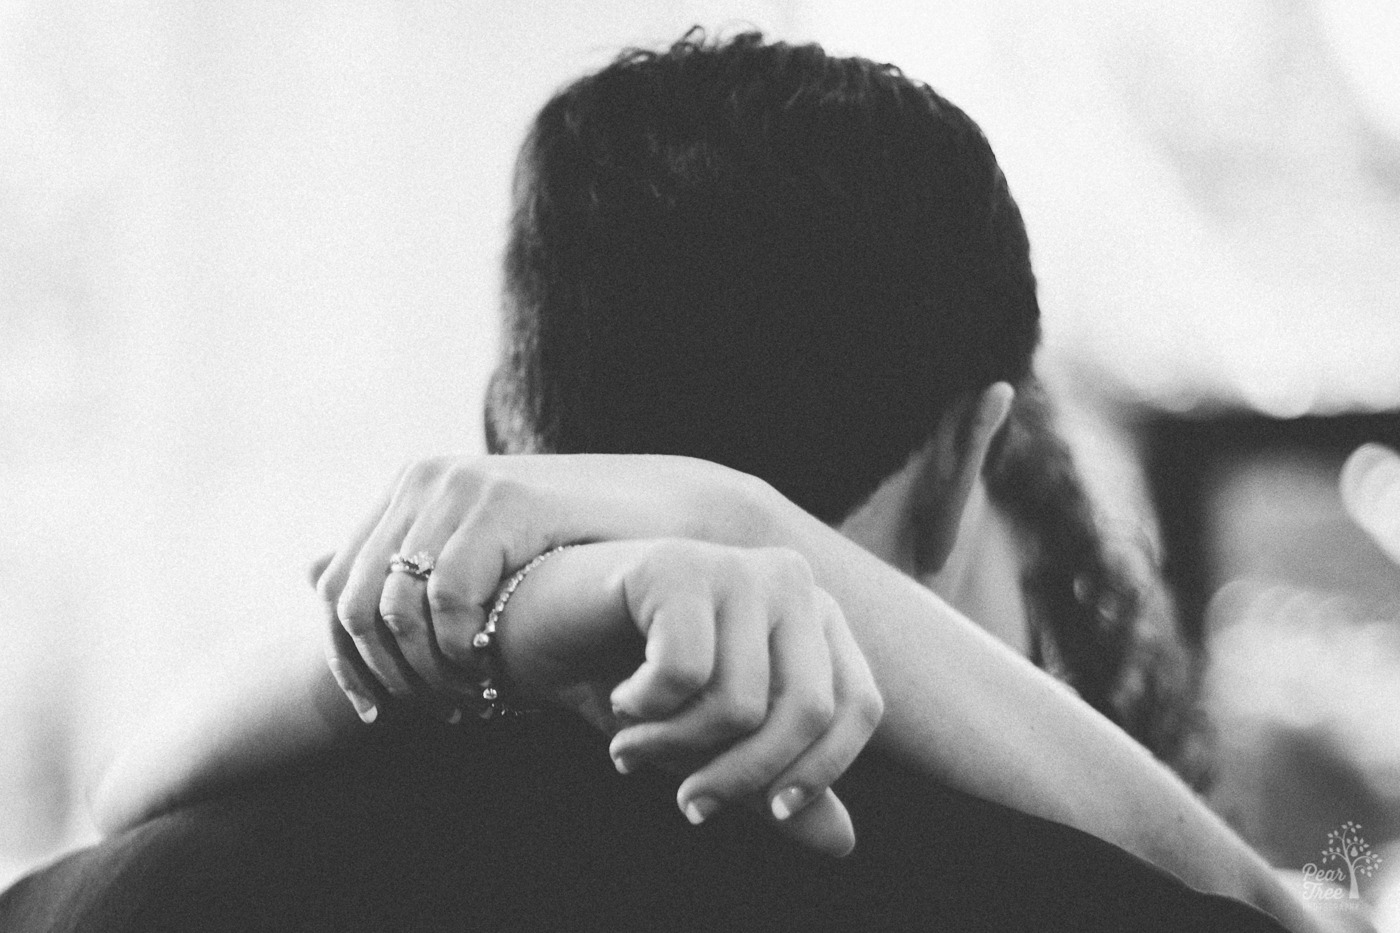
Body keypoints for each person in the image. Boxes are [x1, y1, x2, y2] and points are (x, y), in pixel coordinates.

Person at [0, 30, 1336, 932]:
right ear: (964, 462)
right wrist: (738, 520)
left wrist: (717, 521)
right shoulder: (1103, 904)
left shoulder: (118, 894)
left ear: (500, 432)